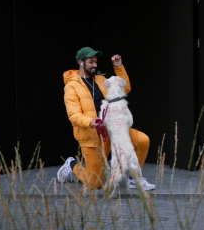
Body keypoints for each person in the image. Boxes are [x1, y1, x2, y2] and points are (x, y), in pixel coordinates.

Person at [58, 46, 155, 190]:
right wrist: (91, 122)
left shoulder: (101, 79)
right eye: (91, 62)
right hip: (92, 136)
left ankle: (134, 179)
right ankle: (72, 165)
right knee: (94, 183)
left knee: (142, 140)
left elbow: (125, 88)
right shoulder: (72, 86)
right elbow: (74, 115)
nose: (95, 65)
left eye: (96, 61)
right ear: (81, 62)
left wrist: (118, 67)